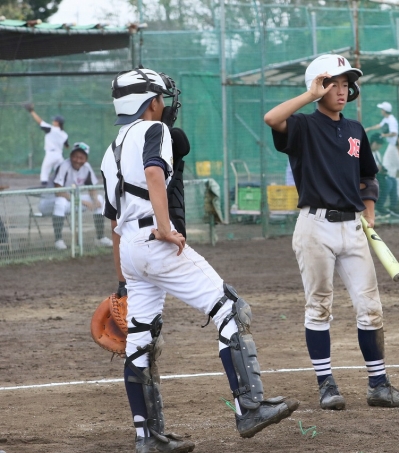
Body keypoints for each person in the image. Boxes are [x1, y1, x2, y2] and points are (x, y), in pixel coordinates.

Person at [101, 67, 298, 452]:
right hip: (154, 240)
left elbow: (113, 223)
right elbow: (154, 174)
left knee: (140, 340)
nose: (164, 104)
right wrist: (164, 227)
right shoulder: (154, 130)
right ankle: (249, 407)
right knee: (230, 309)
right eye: (160, 97)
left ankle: (147, 437)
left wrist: (123, 282)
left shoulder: (112, 148)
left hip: (130, 250)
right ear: (149, 102)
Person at [263, 54, 399, 411]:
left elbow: (368, 175)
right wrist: (309, 95)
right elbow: (272, 118)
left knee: (371, 307)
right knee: (319, 306)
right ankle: (326, 385)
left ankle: (379, 386)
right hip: (315, 227)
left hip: (353, 226)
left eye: (346, 84)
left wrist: (370, 209)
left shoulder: (355, 130)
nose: (342, 90)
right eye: (334, 83)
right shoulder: (302, 125)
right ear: (318, 86)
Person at [50, 142, 114, 250]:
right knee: (60, 202)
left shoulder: (86, 167)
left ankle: (100, 237)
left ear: (86, 159)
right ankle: (58, 240)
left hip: (73, 201)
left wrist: (94, 199)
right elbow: (58, 192)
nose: (78, 160)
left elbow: (92, 188)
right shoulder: (63, 166)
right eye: (75, 156)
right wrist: (82, 202)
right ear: (71, 156)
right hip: (53, 202)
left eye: (81, 158)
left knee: (99, 199)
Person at [23, 103, 69, 186]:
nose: (53, 121)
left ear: (57, 123)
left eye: (54, 120)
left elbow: (40, 122)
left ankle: (44, 186)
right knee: (60, 172)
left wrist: (32, 111)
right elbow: (67, 146)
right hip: (59, 155)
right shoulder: (64, 134)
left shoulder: (51, 129)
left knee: (45, 171)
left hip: (51, 154)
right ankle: (63, 186)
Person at [369, 133, 399, 218]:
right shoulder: (366, 152)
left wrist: (382, 169)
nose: (378, 146)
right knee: (387, 183)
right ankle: (379, 206)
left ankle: (393, 207)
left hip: (378, 175)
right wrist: (376, 168)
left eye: (380, 144)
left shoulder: (377, 153)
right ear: (372, 142)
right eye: (377, 143)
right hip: (369, 176)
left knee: (393, 180)